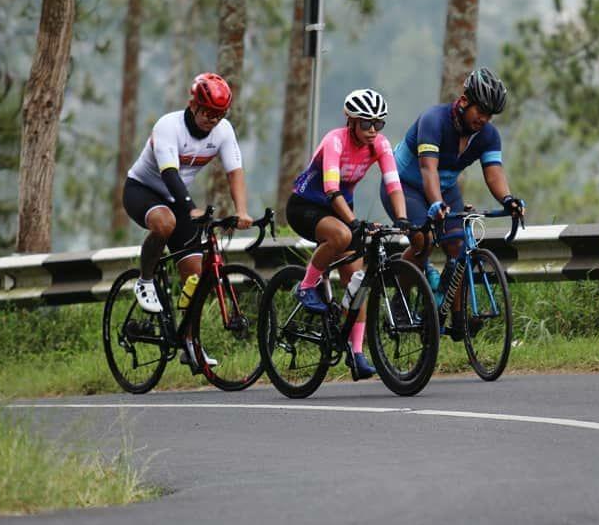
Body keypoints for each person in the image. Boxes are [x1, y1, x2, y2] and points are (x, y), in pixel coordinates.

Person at [381, 66, 524, 340]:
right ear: (464, 100)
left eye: (489, 114)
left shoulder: (488, 135)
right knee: (422, 240)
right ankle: (400, 297)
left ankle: (457, 317)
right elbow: (427, 170)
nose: (484, 118)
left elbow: (494, 173)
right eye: (480, 110)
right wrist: (435, 204)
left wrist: (508, 199)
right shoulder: (433, 121)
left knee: (459, 247)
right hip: (404, 187)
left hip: (445, 188)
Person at [122, 73, 253, 365]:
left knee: (196, 275)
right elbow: (169, 172)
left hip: (177, 199)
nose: (213, 119)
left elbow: (235, 172)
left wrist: (242, 210)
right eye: (208, 112)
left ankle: (190, 343)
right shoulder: (168, 126)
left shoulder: (223, 131)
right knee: (165, 223)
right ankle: (145, 280)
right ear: (192, 104)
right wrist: (192, 208)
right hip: (142, 190)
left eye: (220, 114)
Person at [285, 88, 410, 381]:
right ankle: (306, 285)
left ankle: (356, 354)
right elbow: (331, 189)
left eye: (379, 124)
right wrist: (354, 222)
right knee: (340, 236)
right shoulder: (335, 140)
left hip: (341, 212)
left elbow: (393, 184)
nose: (372, 130)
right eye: (366, 123)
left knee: (358, 282)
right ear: (350, 121)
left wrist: (402, 217)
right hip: (307, 205)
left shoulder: (379, 145)